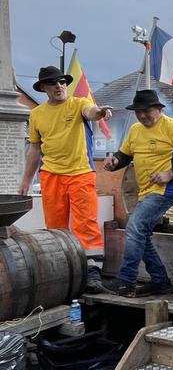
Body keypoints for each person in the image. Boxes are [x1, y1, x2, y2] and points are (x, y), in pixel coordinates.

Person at [19, 65, 113, 293]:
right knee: (55, 227)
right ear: (43, 88)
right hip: (51, 176)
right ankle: (63, 271)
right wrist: (26, 181)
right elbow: (34, 150)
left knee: (86, 223)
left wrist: (100, 113)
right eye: (53, 83)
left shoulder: (78, 103)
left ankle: (92, 273)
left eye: (62, 82)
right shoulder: (37, 114)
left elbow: (91, 112)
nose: (59, 86)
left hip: (80, 173)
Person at [102, 89, 173, 297]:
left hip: (166, 190)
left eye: (146, 111)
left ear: (159, 109)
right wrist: (114, 162)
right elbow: (125, 155)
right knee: (141, 234)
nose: (142, 116)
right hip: (145, 191)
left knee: (134, 227)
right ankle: (160, 281)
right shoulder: (136, 130)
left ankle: (126, 281)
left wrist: (170, 173)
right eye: (138, 112)